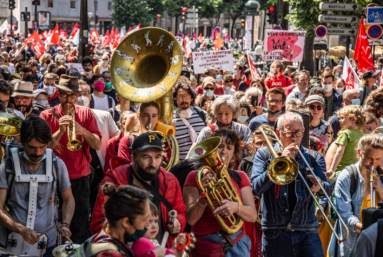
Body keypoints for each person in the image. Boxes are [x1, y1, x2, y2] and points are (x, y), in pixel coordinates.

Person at [252, 112, 331, 257]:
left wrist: (320, 186)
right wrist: (280, 159)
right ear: (278, 133)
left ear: (303, 132)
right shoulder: (264, 154)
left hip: (307, 230)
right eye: (289, 133)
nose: (294, 137)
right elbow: (255, 188)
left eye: (298, 132)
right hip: (275, 231)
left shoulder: (314, 157)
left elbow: (327, 190)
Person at [91, 133, 187, 247]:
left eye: (157, 157)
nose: (153, 164)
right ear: (133, 158)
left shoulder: (171, 181)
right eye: (146, 157)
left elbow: (180, 212)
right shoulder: (114, 181)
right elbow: (97, 225)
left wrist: (178, 223)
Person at [40, 74, 102, 244]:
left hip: (80, 178)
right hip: (52, 178)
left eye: (72, 95)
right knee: (52, 224)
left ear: (77, 96)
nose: (68, 99)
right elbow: (42, 148)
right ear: (58, 94)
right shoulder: (46, 115)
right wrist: (60, 131)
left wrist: (83, 131)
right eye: (64, 94)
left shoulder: (86, 113)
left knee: (79, 226)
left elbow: (97, 145)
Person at [0, 116, 75, 256]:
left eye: (42, 147)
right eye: (32, 147)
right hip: (9, 245)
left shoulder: (57, 165)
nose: (38, 153)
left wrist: (65, 224)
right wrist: (20, 229)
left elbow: (68, 199)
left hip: (48, 246)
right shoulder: (7, 166)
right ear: (22, 141)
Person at [183, 129, 256, 256]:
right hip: (206, 244)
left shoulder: (240, 176)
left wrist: (236, 207)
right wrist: (204, 196)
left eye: (229, 147)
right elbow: (191, 220)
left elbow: (252, 216)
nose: (223, 151)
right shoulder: (194, 176)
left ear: (233, 156)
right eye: (220, 146)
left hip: (237, 243)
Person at [327, 134, 383, 257]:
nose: (373, 163)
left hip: (378, 238)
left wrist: (379, 189)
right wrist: (367, 229)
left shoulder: (381, 174)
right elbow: (345, 215)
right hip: (352, 240)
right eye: (369, 158)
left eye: (378, 159)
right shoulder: (347, 176)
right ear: (359, 152)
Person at [92, 183, 166, 257]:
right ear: (126, 222)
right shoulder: (109, 253)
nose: (146, 224)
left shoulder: (110, 240)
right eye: (144, 220)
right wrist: (153, 255)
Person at [327, 105, 366, 178]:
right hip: (355, 171)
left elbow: (340, 152)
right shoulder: (361, 134)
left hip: (341, 170)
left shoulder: (345, 134)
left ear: (353, 119)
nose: (339, 120)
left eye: (342, 118)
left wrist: (331, 169)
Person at [172, 82, 206, 161]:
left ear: (191, 98)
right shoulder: (172, 120)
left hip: (202, 165)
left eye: (186, 96)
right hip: (182, 168)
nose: (184, 100)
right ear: (175, 99)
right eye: (180, 96)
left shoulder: (202, 115)